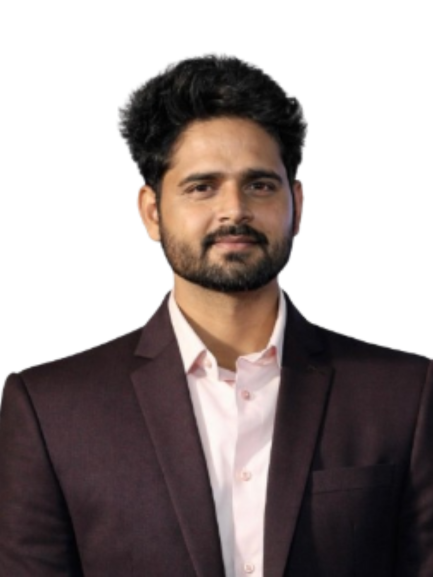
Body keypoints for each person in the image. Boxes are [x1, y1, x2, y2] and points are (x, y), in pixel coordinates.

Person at [0, 55, 432, 577]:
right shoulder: (51, 411)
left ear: (296, 204)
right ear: (152, 211)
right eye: (202, 187)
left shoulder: (405, 395)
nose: (235, 210)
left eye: (260, 185)